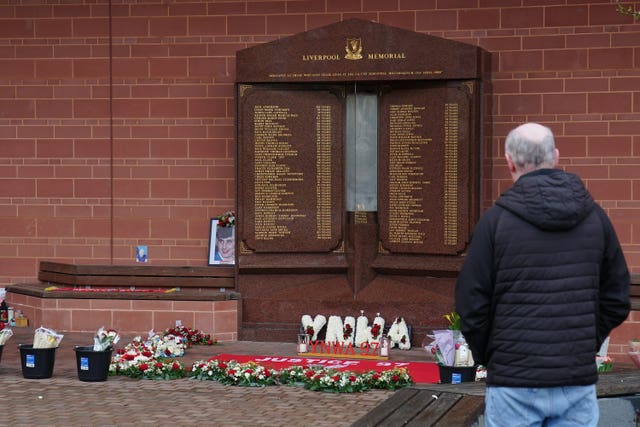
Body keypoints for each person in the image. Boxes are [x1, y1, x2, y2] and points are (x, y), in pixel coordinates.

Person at [455, 123, 630, 427]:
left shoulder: (495, 222)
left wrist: (493, 354)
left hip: (513, 383)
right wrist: (585, 342)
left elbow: (471, 303)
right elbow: (616, 298)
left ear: (509, 161)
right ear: (556, 156)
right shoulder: (596, 219)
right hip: (575, 380)